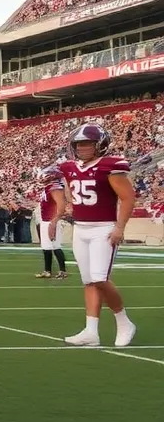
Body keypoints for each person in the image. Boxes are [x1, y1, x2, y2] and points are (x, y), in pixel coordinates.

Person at [58, 124, 136, 347]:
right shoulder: (70, 168)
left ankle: (124, 322)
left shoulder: (109, 167)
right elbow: (70, 189)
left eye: (87, 143)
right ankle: (91, 331)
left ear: (99, 145)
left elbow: (128, 198)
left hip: (103, 228)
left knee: (100, 278)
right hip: (81, 228)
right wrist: (72, 205)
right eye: (79, 144)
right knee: (89, 281)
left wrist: (119, 227)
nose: (81, 148)